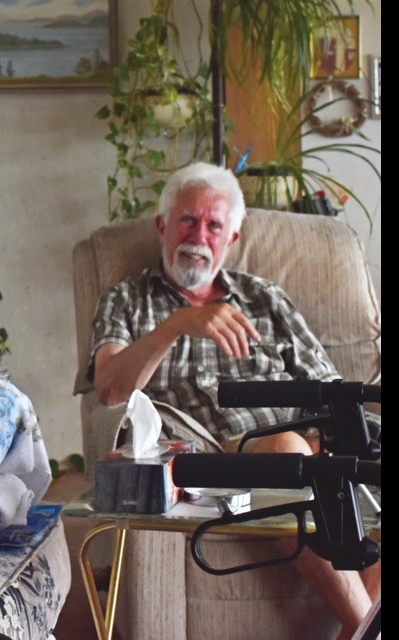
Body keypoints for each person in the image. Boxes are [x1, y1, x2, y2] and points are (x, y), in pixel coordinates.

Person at [87, 162, 379, 640]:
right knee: (287, 451)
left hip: (298, 441)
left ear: (233, 239)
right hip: (212, 454)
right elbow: (112, 390)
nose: (198, 235)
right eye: (187, 220)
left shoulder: (266, 299)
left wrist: (320, 437)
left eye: (214, 224)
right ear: (162, 226)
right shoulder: (126, 300)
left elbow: (327, 383)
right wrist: (177, 325)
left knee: (315, 449)